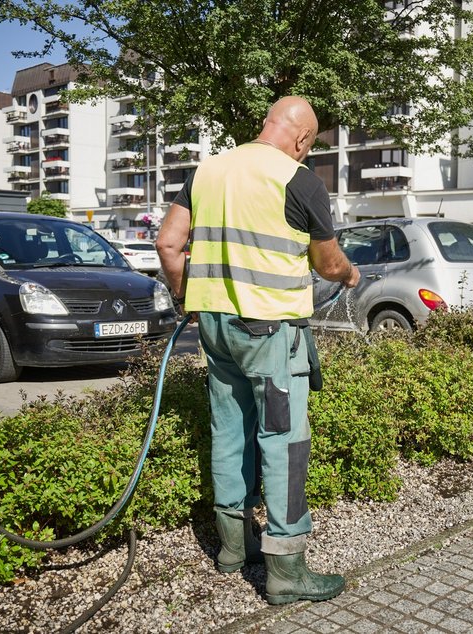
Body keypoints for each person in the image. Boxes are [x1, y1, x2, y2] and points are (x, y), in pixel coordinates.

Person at [156, 96, 359, 605]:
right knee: (284, 443)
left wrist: (187, 298)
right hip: (269, 335)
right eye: (308, 146)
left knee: (229, 433)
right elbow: (329, 263)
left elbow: (167, 245)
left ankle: (232, 550)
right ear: (302, 139)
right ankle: (287, 574)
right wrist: (351, 273)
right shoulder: (299, 179)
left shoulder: (207, 171)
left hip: (215, 331)